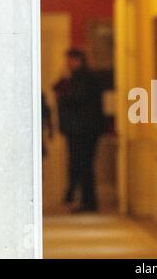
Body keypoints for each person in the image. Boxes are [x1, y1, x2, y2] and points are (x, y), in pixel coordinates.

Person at [54, 49, 105, 212]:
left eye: (70, 60)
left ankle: (86, 201)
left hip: (82, 130)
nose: (68, 64)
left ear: (77, 60)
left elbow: (76, 98)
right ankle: (84, 200)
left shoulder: (82, 78)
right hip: (85, 129)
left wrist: (62, 93)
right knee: (83, 166)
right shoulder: (84, 77)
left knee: (83, 165)